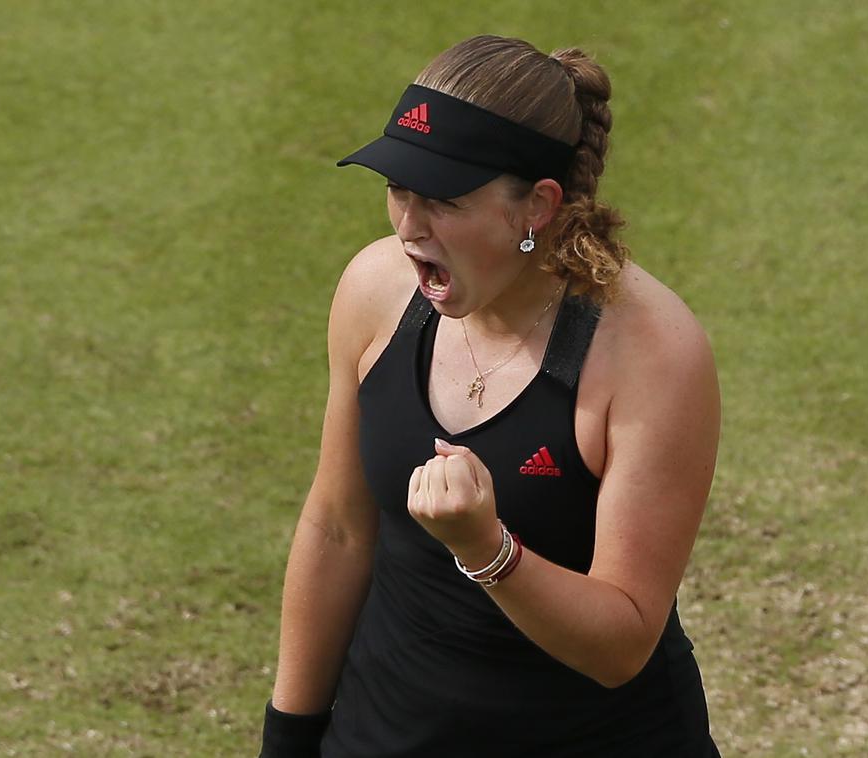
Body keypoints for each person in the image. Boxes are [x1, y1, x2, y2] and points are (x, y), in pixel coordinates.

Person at [260, 34, 722, 757]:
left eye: (441, 201)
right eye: (397, 190)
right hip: (381, 734)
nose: (410, 228)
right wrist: (287, 738)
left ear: (535, 206)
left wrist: (487, 549)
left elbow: (624, 642)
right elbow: (337, 529)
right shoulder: (375, 291)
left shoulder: (649, 353)